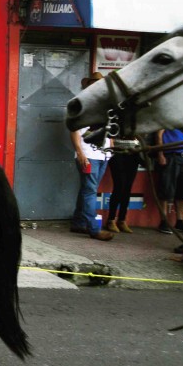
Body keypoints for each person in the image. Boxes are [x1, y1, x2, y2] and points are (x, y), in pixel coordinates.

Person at [69, 72, 114, 241]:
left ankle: (79, 222)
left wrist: (111, 146)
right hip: (88, 154)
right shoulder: (80, 104)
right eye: (95, 83)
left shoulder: (105, 106)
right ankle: (93, 228)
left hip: (103, 154)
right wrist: (80, 152)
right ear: (88, 85)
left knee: (87, 189)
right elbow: (73, 130)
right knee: (90, 190)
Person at [155, 127, 183, 234]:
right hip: (170, 156)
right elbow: (159, 135)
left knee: (182, 191)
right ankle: (164, 222)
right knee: (166, 189)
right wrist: (160, 154)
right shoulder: (167, 119)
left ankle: (179, 221)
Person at [105, 137, 140, 233]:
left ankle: (122, 220)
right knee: (119, 186)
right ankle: (111, 220)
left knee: (128, 188)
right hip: (117, 152)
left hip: (133, 153)